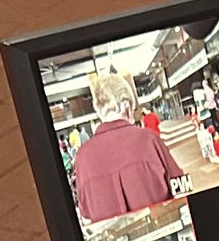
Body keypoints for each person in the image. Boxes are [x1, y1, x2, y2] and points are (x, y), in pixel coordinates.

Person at [70, 69, 183, 222]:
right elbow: (180, 185)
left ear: (99, 110)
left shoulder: (82, 158)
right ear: (126, 105)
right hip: (165, 226)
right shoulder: (148, 140)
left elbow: (85, 213)